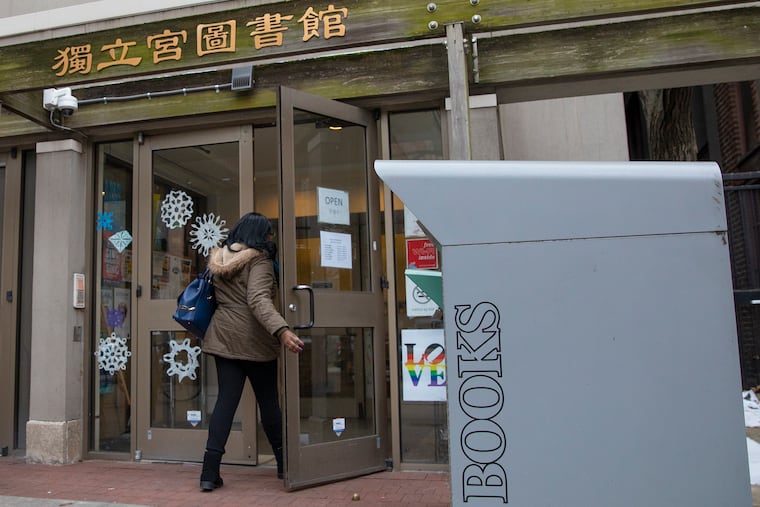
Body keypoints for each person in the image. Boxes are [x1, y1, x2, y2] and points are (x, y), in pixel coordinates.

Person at [199, 212, 304, 492]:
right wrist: (282, 330)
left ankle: (209, 473)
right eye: (268, 233)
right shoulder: (259, 260)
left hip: (223, 337)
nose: (270, 238)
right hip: (254, 339)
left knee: (225, 402)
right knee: (268, 401)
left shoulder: (220, 258)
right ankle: (284, 465)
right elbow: (257, 299)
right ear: (260, 235)